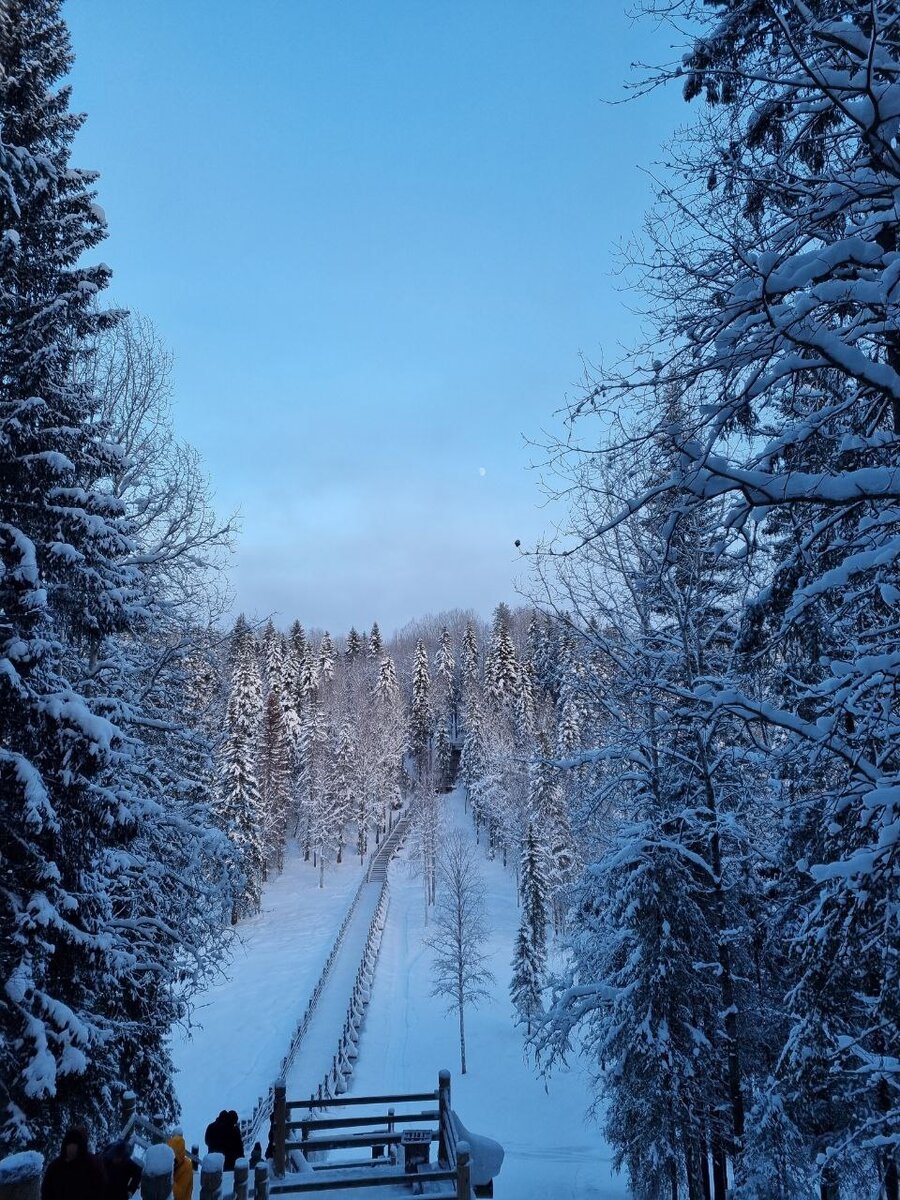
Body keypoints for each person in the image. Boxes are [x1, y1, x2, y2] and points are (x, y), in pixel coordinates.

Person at [41, 1127, 106, 1200]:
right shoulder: (55, 1166)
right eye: (69, 1144)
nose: (71, 1148)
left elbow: (101, 1190)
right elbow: (46, 1192)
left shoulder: (93, 1165)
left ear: (81, 1147)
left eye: (75, 1144)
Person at [166, 1134, 194, 1200]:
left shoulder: (187, 1167)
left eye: (174, 1158)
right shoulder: (169, 1163)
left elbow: (179, 1194)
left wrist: (167, 1178)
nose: (171, 1160)